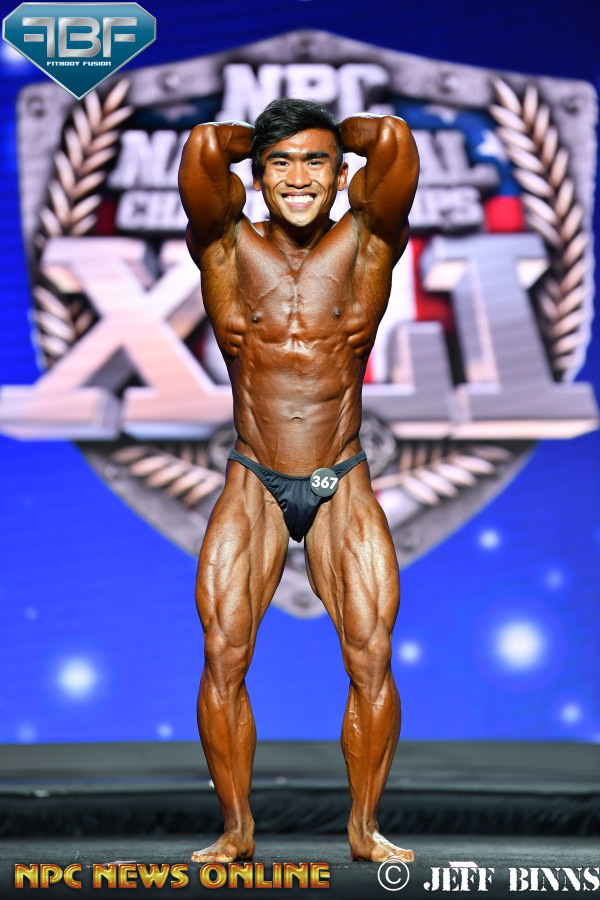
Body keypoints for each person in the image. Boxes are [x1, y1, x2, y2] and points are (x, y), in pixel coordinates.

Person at [178, 97, 419, 864]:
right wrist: (262, 141)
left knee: (371, 657)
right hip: (255, 475)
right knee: (223, 655)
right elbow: (203, 148)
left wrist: (327, 135)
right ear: (255, 179)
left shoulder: (369, 240)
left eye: (317, 162)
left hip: (340, 475)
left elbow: (393, 139)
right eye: (280, 165)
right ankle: (237, 829)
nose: (299, 177)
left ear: (343, 175)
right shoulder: (224, 245)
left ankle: (364, 829)